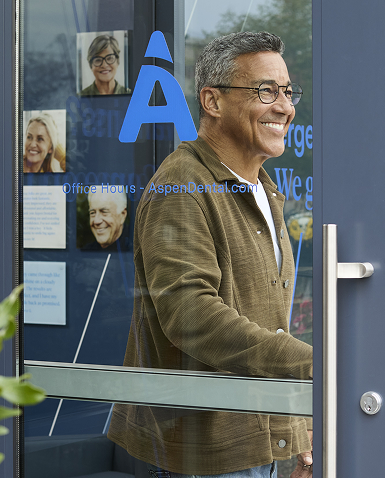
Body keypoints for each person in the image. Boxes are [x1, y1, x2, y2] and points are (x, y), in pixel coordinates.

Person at [108, 32, 313, 478]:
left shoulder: (264, 188)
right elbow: (191, 315)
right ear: (212, 101)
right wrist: (310, 363)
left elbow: (268, 319)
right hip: (212, 457)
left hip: (268, 442)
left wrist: (297, 433)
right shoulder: (181, 186)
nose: (284, 106)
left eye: (288, 92)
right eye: (266, 91)